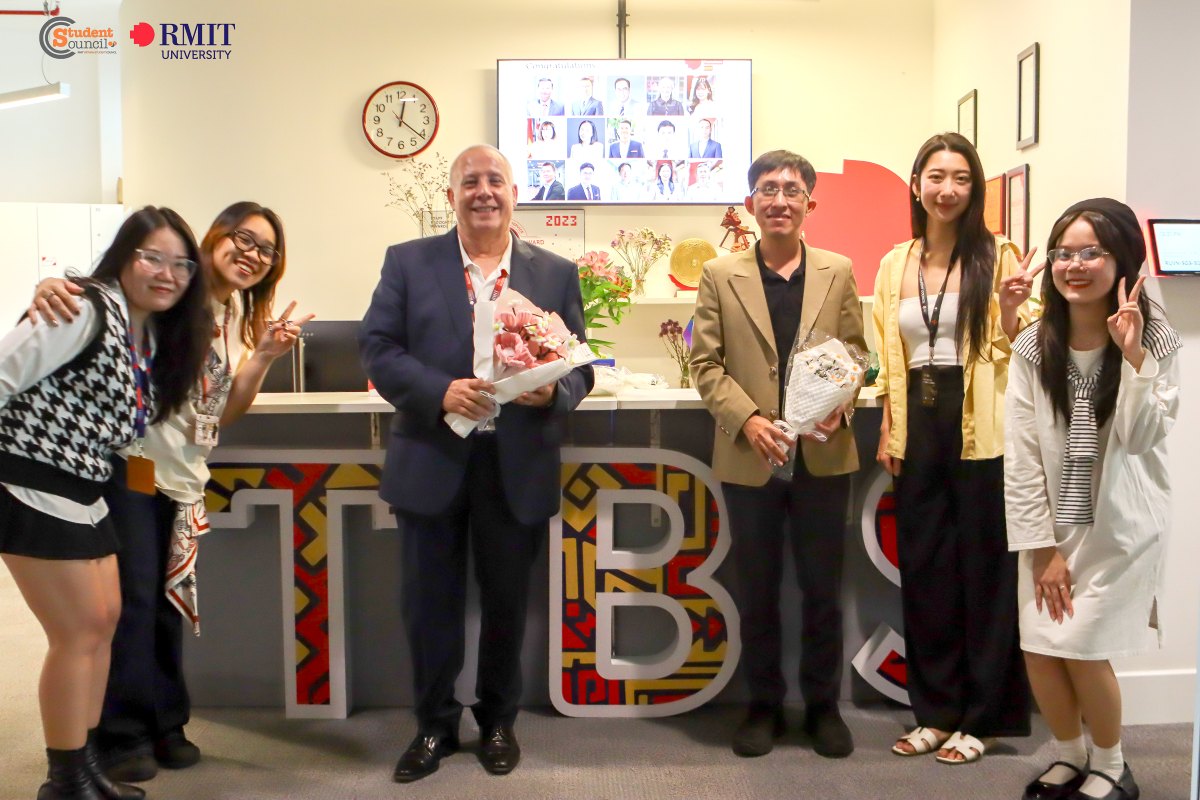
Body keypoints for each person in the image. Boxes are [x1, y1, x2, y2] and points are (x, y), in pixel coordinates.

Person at [31, 202, 312, 785]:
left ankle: (165, 723)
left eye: (266, 250)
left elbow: (219, 413)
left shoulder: (227, 311)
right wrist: (52, 284)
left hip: (180, 479)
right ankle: (118, 736)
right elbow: (101, 295)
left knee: (163, 607)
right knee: (127, 607)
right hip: (132, 470)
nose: (252, 255)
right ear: (212, 238)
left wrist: (261, 357)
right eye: (243, 239)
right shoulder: (172, 294)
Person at [359, 144, 593, 783]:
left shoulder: (555, 272)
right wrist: (438, 391)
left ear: (516, 193)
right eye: (470, 182)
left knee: (507, 603)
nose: (483, 191)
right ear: (452, 196)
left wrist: (557, 390)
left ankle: (497, 721)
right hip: (432, 457)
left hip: (515, 465)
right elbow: (377, 348)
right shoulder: (408, 262)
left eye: (495, 180)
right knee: (429, 604)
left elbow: (582, 362)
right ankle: (433, 726)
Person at [0, 206, 209, 800]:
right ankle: (65, 782)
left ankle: (84, 764)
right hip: (32, 478)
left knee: (102, 621)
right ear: (123, 257)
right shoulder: (83, 307)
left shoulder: (146, 331)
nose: (166, 273)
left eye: (180, 265)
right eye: (151, 257)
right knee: (76, 631)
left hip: (84, 486)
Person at [690, 150, 865, 760]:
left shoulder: (838, 270)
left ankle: (823, 706)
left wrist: (842, 404)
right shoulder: (720, 274)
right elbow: (704, 365)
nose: (780, 200)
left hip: (822, 451)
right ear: (751, 202)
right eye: (768, 189)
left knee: (823, 587)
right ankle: (762, 704)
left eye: (792, 189)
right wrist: (750, 420)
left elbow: (855, 357)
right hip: (751, 454)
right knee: (757, 586)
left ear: (810, 202)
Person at [1006, 198, 1180, 800]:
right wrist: (1040, 545)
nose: (1074, 265)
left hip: (1119, 529)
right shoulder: (1034, 345)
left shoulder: (1155, 339)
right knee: (1039, 650)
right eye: (1063, 253)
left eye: (1091, 253)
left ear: (1122, 260)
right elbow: (1023, 452)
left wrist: (1132, 357)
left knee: (1082, 649)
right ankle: (1071, 756)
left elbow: (1141, 436)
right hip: (1051, 525)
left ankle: (1112, 766)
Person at [874, 132, 1034, 764]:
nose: (947, 189)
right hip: (918, 423)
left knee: (986, 576)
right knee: (926, 574)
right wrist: (891, 424)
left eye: (961, 178)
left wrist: (1012, 310)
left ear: (977, 188)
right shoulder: (896, 261)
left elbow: (1020, 349)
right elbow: (889, 353)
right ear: (917, 185)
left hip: (983, 429)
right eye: (935, 176)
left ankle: (986, 716)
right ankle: (935, 713)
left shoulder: (1000, 255)